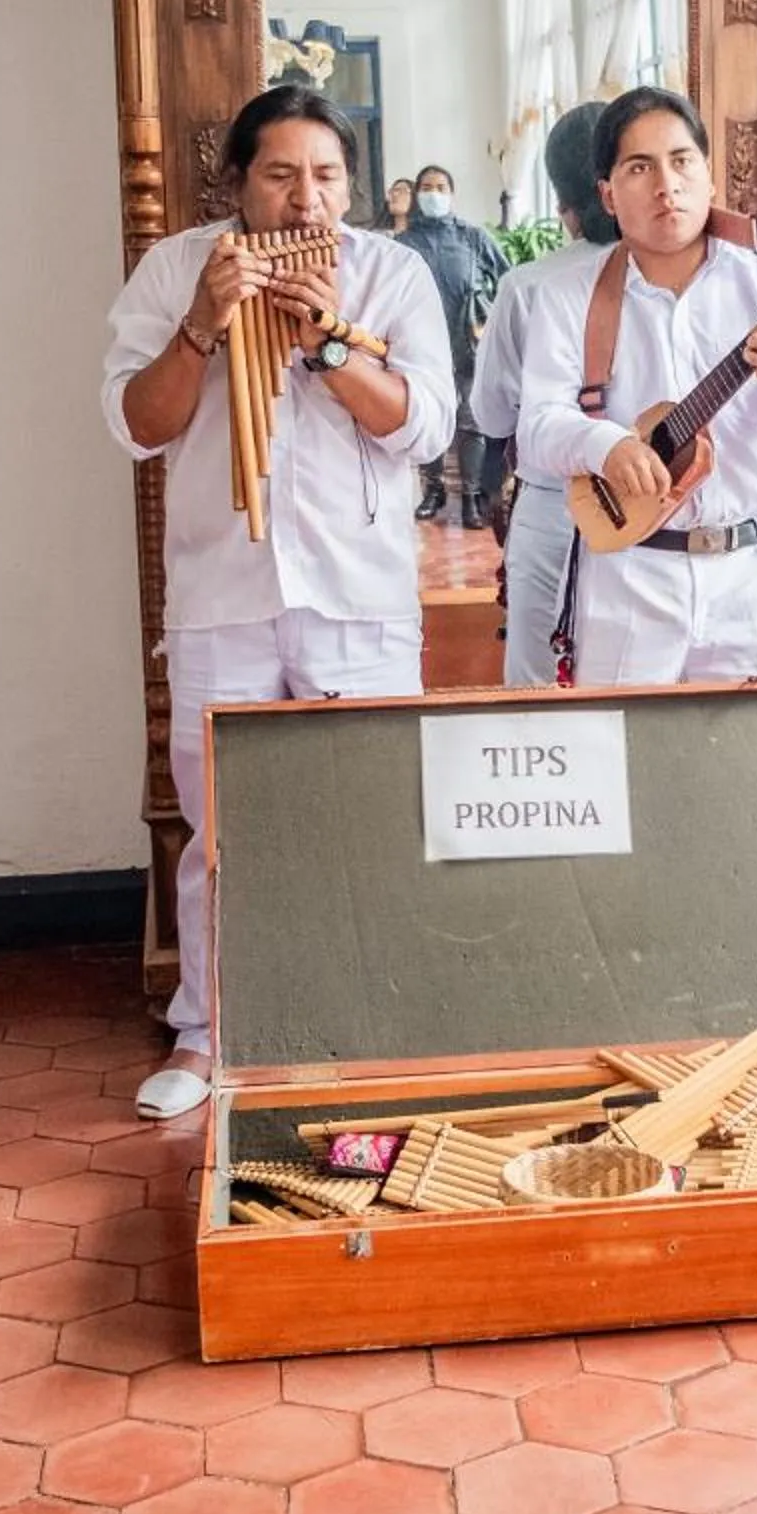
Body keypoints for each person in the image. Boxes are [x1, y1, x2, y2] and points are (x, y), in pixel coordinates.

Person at [100, 85, 453, 1121]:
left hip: (359, 590)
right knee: (225, 832)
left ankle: (368, 1014)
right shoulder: (174, 270)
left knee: (371, 816)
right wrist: (204, 327)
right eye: (283, 175)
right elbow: (135, 425)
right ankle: (207, 1031)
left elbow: (424, 426)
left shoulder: (392, 272)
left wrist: (332, 346)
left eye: (329, 175)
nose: (309, 200)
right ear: (240, 185)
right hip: (222, 590)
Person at [516, 86, 757, 684]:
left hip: (748, 573)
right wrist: (609, 448)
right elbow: (538, 425)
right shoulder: (570, 297)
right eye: (639, 168)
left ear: (709, 177)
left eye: (681, 161)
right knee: (624, 763)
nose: (665, 185)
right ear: (608, 194)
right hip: (630, 575)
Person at [475, 102, 615, 685]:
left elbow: (493, 412)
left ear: (562, 205)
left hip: (552, 502)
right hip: (654, 506)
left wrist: (491, 489)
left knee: (537, 683)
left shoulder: (529, 286)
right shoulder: (675, 279)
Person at [400, 163, 511, 528]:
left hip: (468, 345)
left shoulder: (473, 238)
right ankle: (433, 491)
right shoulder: (403, 244)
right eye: (427, 186)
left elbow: (507, 280)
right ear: (418, 195)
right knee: (429, 417)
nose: (434, 193)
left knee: (470, 422)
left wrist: (492, 320)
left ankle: (471, 498)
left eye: (441, 186)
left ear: (452, 193)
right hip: (420, 348)